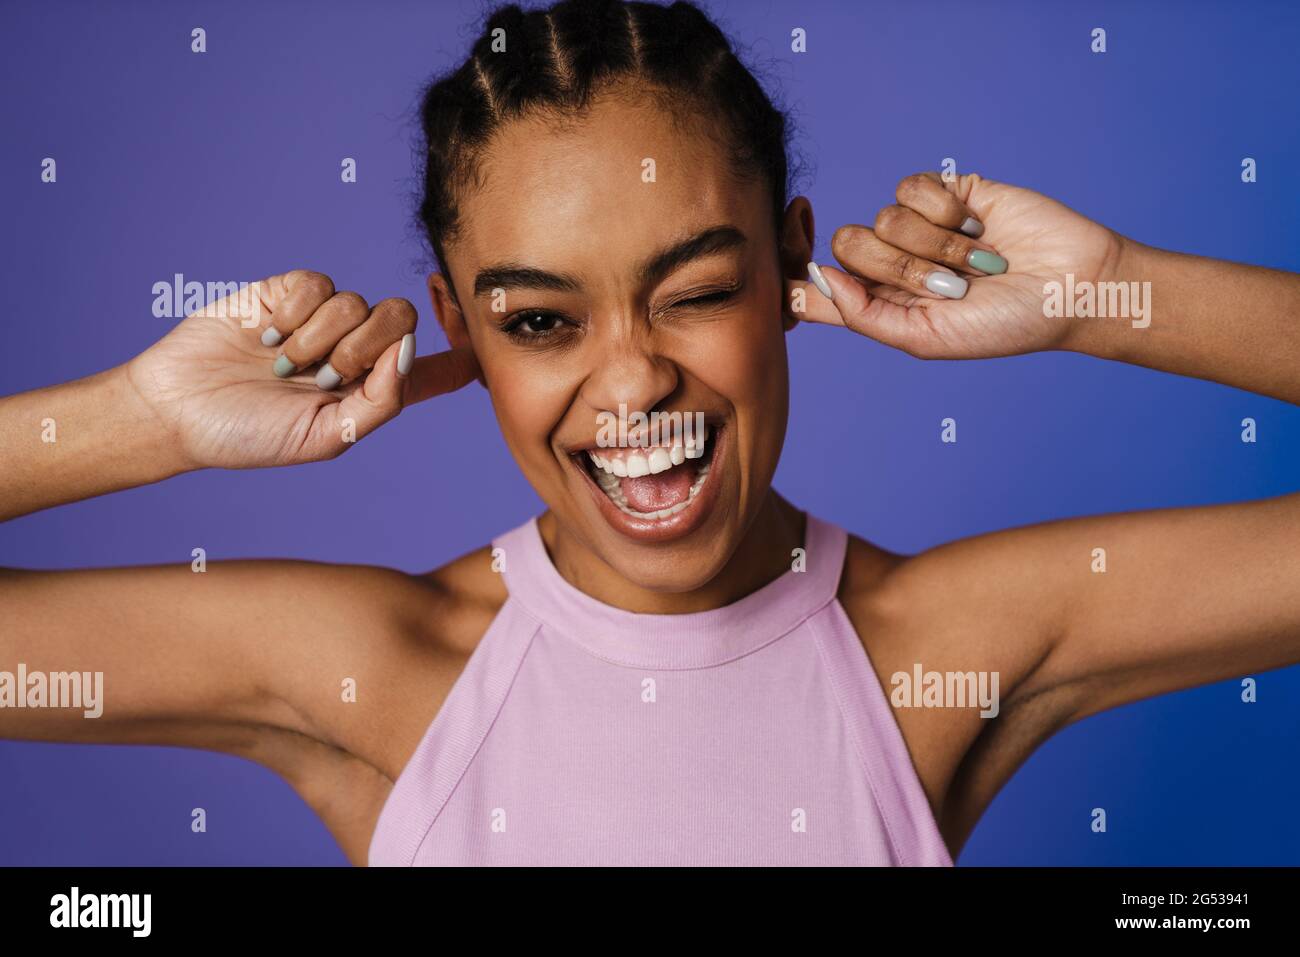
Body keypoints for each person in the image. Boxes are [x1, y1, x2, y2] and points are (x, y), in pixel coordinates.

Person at [2, 0, 1297, 866]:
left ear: (789, 266)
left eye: (697, 293)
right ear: (460, 326)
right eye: (539, 322)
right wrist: (144, 420)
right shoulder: (382, 672)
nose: (632, 383)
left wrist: (1112, 294)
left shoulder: (937, 652)